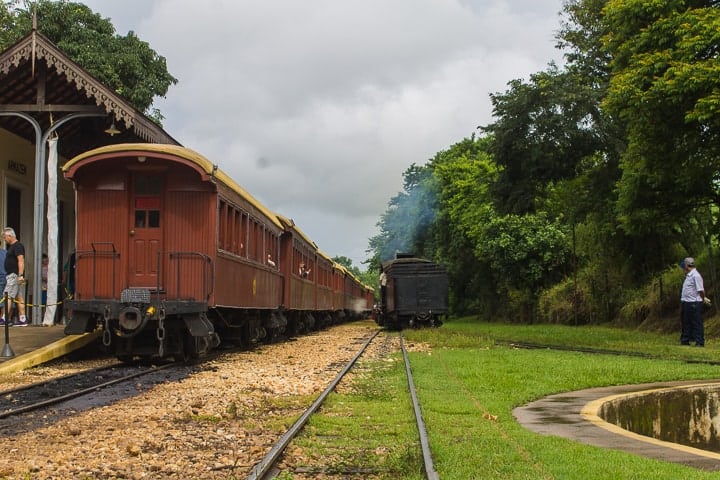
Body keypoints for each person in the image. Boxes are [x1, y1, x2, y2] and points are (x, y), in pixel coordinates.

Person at [680, 257, 710, 347]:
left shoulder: (696, 275)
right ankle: (685, 340)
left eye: (684, 265)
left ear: (686, 265)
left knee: (696, 322)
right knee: (686, 322)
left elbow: (700, 290)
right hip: (686, 302)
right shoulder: (689, 275)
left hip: (694, 303)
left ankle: (699, 342)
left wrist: (703, 298)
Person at [0, 227, 27, 326]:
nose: (4, 239)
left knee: (7, 295)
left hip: (14, 275)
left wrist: (20, 275)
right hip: (11, 275)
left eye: (5, 237)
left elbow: (21, 260)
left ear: (10, 236)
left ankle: (4, 318)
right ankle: (23, 319)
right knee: (19, 297)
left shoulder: (17, 246)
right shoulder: (12, 247)